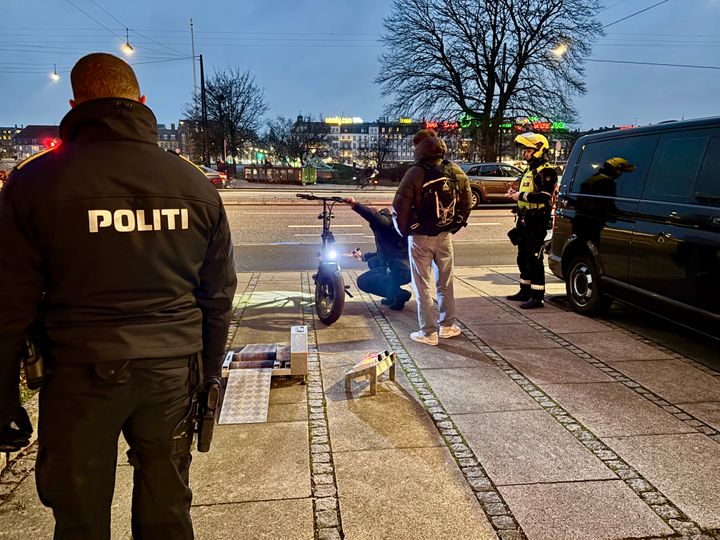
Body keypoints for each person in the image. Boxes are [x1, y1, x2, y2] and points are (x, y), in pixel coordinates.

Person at [0, 53, 237, 539]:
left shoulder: (33, 182)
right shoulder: (193, 184)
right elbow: (217, 296)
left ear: (74, 103)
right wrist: (208, 377)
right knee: (168, 509)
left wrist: (4, 392)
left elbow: (11, 301)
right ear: (142, 102)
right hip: (171, 370)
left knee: (79, 514)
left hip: (77, 372)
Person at [392, 129, 472, 345]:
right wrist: (453, 226)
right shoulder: (454, 170)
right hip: (444, 235)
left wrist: (405, 231)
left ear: (419, 148)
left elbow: (400, 207)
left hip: (420, 237)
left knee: (422, 284)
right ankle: (447, 326)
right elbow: (467, 202)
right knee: (446, 282)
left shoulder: (415, 173)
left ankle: (428, 332)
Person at [506, 132, 558, 309]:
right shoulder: (529, 170)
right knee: (522, 256)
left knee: (534, 258)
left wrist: (520, 195)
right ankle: (525, 290)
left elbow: (544, 197)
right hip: (524, 219)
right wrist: (514, 195)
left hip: (537, 221)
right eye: (525, 150)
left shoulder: (547, 171)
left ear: (539, 150)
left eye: (528, 150)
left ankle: (537, 296)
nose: (525, 154)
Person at [343, 197, 411, 310]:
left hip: (400, 269)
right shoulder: (390, 228)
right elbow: (384, 254)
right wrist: (363, 256)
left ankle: (399, 295)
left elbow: (375, 218)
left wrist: (354, 204)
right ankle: (393, 295)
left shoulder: (384, 224)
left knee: (363, 281)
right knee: (373, 262)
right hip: (402, 267)